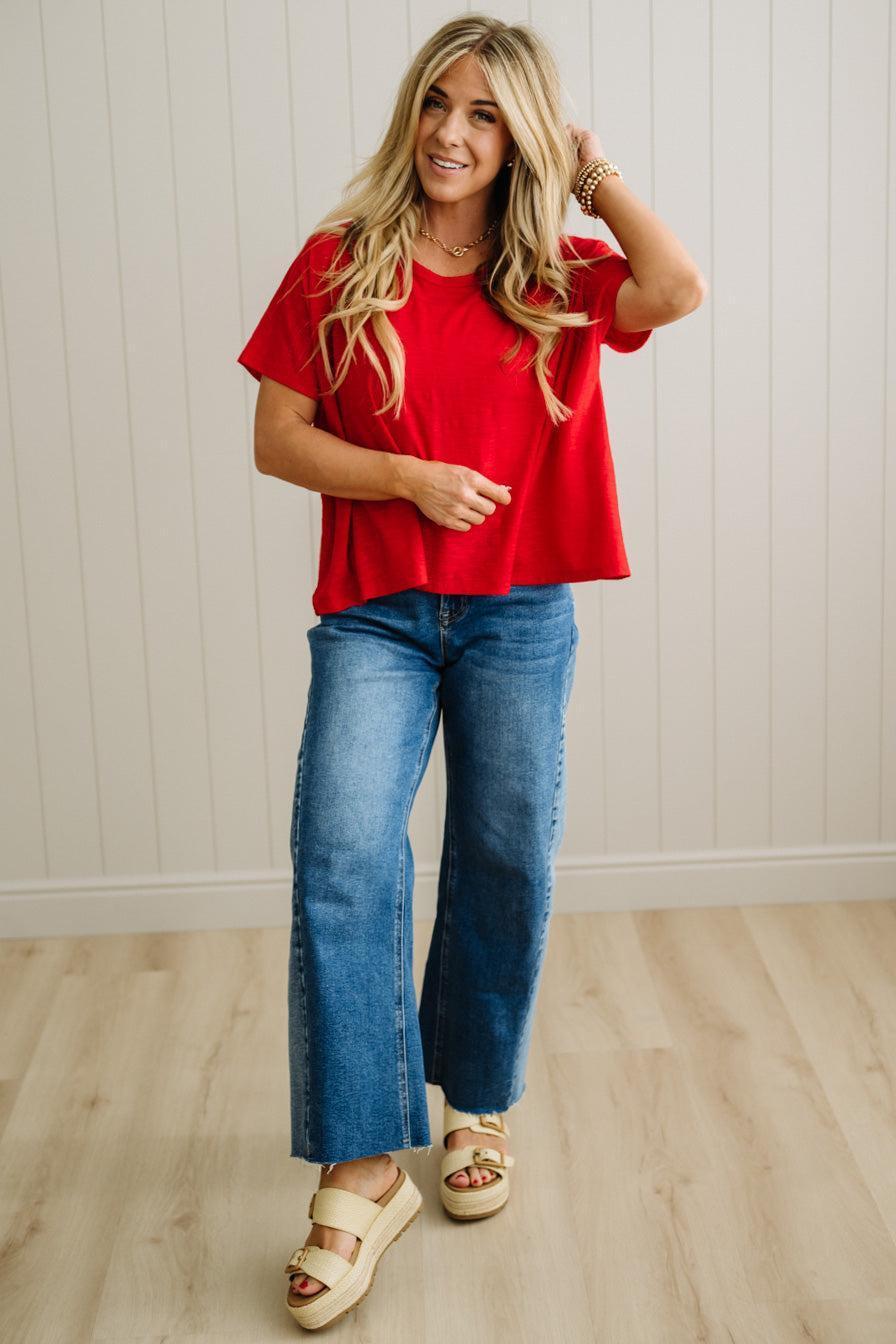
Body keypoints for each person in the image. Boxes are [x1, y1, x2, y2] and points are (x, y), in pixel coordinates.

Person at [237, 13, 705, 1331]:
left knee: (506, 853)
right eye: (438, 103)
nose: (452, 132)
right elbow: (277, 438)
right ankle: (363, 1164)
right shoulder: (341, 262)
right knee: (342, 850)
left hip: (516, 617)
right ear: (411, 114)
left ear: (523, 137)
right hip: (377, 616)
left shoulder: (556, 273)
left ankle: (477, 1102)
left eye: (488, 114)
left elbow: (678, 291)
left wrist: (594, 169)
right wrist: (402, 477)